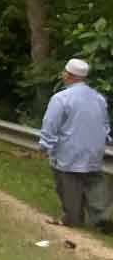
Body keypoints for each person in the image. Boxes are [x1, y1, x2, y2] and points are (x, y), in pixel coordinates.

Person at [39, 59, 110, 229]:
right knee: (95, 185)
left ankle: (72, 218)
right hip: (94, 152)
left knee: (68, 185)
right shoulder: (99, 98)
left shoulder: (61, 98)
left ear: (68, 75)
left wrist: (45, 145)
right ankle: (103, 219)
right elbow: (105, 125)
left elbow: (50, 124)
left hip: (69, 152)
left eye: (64, 72)